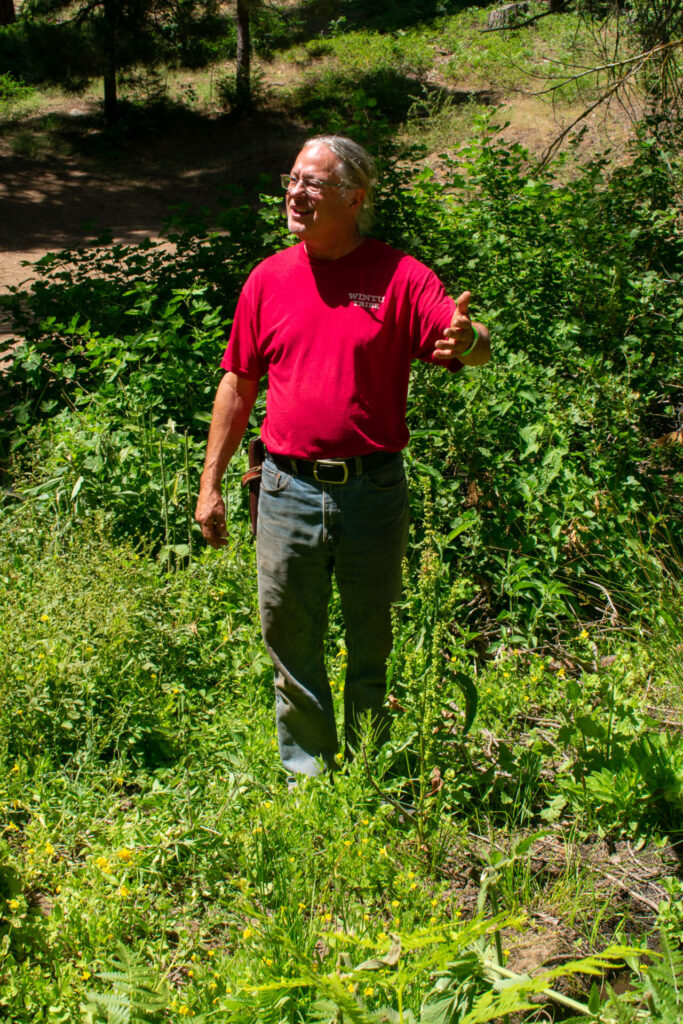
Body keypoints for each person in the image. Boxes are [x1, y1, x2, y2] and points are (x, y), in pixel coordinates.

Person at [195, 134, 490, 779]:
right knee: (290, 639)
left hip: (372, 492)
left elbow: (470, 342)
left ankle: (369, 762)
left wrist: (470, 339)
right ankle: (308, 772)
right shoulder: (268, 279)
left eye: (314, 183)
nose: (297, 193)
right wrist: (210, 481)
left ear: (354, 198)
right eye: (292, 179)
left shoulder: (400, 277)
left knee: (370, 638)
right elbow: (239, 384)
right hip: (283, 488)